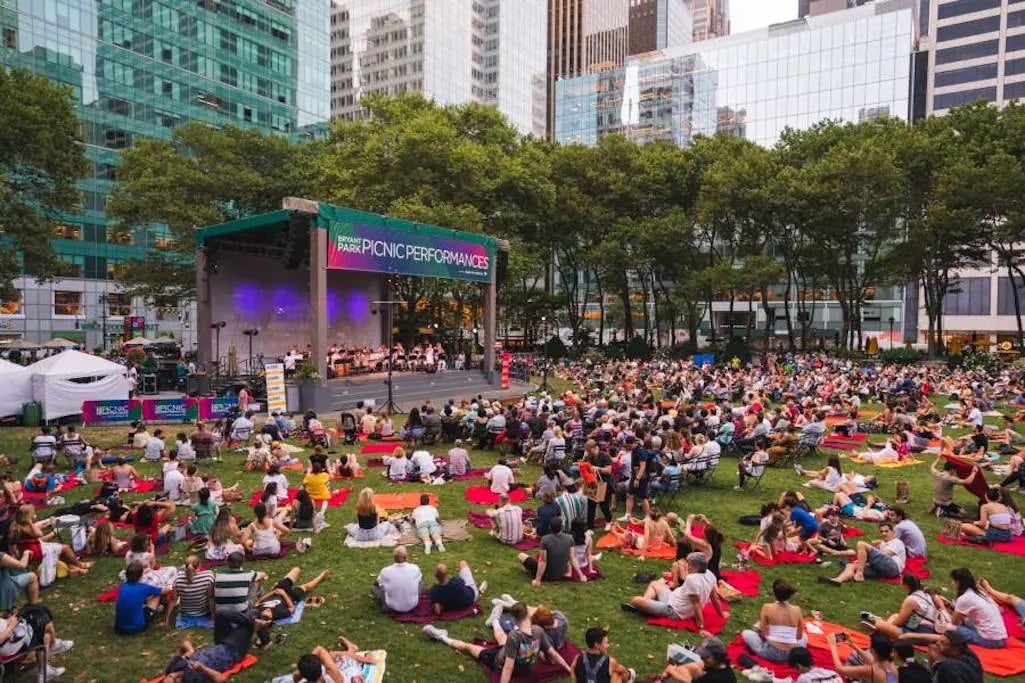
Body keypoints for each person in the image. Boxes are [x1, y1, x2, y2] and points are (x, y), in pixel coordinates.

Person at [422, 601, 574, 682]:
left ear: (514, 618)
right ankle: (494, 620)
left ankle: (441, 636)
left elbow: (507, 668)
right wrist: (568, 668)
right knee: (502, 639)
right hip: (515, 657)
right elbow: (554, 654)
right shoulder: (537, 631)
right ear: (527, 614)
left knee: (469, 647)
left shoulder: (515, 637)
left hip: (496, 660)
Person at [623, 553, 726, 637]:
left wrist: (701, 628)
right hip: (672, 597)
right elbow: (714, 597)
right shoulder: (710, 574)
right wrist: (721, 614)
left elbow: (697, 604)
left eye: (689, 564)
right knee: (654, 584)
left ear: (695, 566)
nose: (687, 566)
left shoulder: (692, 579)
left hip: (674, 610)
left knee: (635, 600)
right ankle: (644, 605)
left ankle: (642, 605)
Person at [159, 608, 266, 683]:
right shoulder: (193, 680)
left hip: (219, 643)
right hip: (232, 651)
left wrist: (190, 651)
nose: (174, 676)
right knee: (254, 613)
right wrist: (203, 668)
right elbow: (221, 679)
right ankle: (263, 634)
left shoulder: (172, 668)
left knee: (220, 614)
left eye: (170, 677)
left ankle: (255, 625)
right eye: (175, 681)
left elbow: (184, 643)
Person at [0, 603, 72, 682]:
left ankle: (44, 671)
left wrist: (7, 618)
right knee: (44, 621)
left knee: (31, 608)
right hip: (12, 645)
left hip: (14, 636)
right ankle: (53, 645)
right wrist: (11, 625)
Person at [740, 579, 806, 662]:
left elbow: (763, 634)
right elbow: (799, 636)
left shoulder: (767, 607)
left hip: (771, 653)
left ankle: (755, 630)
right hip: (792, 654)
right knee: (804, 637)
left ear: (774, 594)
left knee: (746, 633)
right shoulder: (797, 609)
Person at [820, 522, 906, 585]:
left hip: (893, 567)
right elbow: (877, 558)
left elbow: (885, 555)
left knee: (861, 544)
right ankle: (837, 580)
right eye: (882, 531)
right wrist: (860, 561)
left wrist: (866, 558)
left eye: (886, 531)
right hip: (882, 570)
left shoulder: (897, 542)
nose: (884, 533)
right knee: (852, 565)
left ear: (893, 532)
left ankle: (859, 574)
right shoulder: (883, 543)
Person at [859, 574, 940, 639]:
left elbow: (899, 622)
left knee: (882, 625)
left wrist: (887, 626)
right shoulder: (925, 595)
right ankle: (879, 625)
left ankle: (879, 627)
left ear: (906, 586)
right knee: (895, 616)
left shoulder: (911, 600)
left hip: (920, 632)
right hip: (927, 627)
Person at [518, 517, 579, 586]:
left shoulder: (545, 539)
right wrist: (581, 575)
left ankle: (528, 571)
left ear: (550, 527)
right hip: (561, 573)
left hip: (547, 575)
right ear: (562, 527)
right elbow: (572, 558)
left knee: (521, 555)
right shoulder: (570, 538)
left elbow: (543, 561)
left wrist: (537, 580)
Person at [288, 637, 378, 683]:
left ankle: (351, 649)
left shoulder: (304, 676)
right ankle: (366, 658)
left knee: (332, 655)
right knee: (342, 657)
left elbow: (295, 678)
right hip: (349, 672)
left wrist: (304, 669)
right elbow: (319, 649)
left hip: (338, 672)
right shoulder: (333, 673)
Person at [115, 560, 171, 634]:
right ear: (141, 575)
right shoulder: (144, 588)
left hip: (119, 627)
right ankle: (161, 614)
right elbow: (164, 591)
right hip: (137, 627)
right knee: (157, 595)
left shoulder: (123, 586)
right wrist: (170, 587)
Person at [571, 627, 635, 683]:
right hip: (620, 672)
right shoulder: (610, 661)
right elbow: (622, 669)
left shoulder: (577, 658)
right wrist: (626, 673)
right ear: (597, 644)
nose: (608, 646)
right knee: (616, 674)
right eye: (606, 643)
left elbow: (573, 674)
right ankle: (629, 678)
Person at [373, 546, 422, 613]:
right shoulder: (415, 568)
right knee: (420, 581)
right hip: (413, 604)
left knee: (375, 587)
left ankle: (386, 604)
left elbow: (378, 584)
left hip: (392, 606)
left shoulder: (385, 571)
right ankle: (413, 598)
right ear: (405, 557)